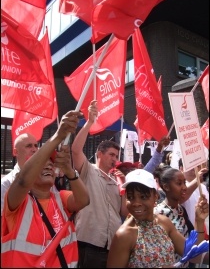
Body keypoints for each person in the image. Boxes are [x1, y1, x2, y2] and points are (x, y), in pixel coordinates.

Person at [1, 110, 90, 268]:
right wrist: (58, 136)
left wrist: (69, 171)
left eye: (51, 164)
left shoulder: (60, 198)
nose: (49, 166)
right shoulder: (16, 202)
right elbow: (22, 181)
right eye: (42, 165)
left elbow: (83, 200)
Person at [107, 169, 209, 268]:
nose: (136, 203)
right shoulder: (124, 235)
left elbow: (193, 255)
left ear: (155, 196)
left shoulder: (163, 222)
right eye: (130, 197)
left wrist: (199, 220)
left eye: (143, 197)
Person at [71, 100, 128, 268]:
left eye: (117, 156)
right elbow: (75, 150)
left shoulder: (115, 180)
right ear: (99, 154)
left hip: (112, 246)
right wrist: (89, 122)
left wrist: (123, 186)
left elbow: (124, 212)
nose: (115, 159)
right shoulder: (87, 170)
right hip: (89, 244)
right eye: (111, 155)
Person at [155, 167, 209, 268]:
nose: (184, 187)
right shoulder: (158, 214)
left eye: (184, 182)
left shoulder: (180, 209)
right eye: (179, 183)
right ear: (166, 187)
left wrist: (199, 220)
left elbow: (195, 251)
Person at [1, 133, 38, 216]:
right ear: (15, 152)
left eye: (36, 146)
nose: (34, 149)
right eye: (29, 146)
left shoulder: (45, 179)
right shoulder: (5, 185)